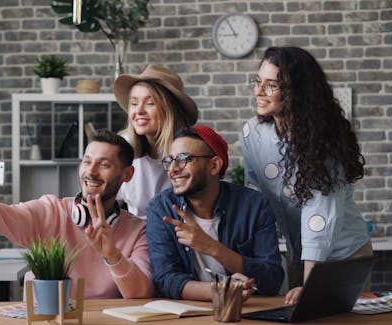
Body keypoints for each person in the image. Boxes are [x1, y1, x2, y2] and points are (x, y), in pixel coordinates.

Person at [0, 129, 154, 299]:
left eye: (104, 165)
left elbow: (140, 292)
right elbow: (1, 218)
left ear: (127, 174)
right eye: (86, 162)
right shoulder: (51, 211)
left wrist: (112, 255)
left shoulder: (138, 231)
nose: (91, 172)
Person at [241, 46, 372, 305]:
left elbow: (319, 215)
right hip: (298, 253)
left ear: (295, 92)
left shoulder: (321, 141)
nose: (258, 92)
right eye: (258, 82)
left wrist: (310, 284)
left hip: (342, 258)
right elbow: (253, 195)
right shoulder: (252, 132)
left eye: (271, 86)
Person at [146, 125, 284, 301]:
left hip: (248, 311)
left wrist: (212, 248)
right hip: (187, 315)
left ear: (214, 165)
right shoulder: (161, 209)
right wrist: (222, 290)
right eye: (170, 160)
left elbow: (272, 279)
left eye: (182, 159)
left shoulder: (254, 205)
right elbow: (166, 280)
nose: (172, 169)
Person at [114, 64, 198, 219]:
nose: (139, 111)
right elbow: (112, 204)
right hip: (134, 236)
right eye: (134, 103)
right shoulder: (122, 146)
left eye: (150, 103)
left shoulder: (192, 151)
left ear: (169, 109)